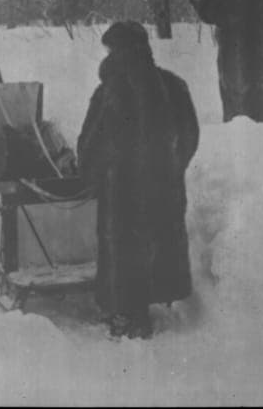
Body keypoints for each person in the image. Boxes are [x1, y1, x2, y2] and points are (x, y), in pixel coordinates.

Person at [77, 21, 199, 339]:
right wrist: (172, 167)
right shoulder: (174, 85)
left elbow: (91, 142)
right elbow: (190, 135)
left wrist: (93, 175)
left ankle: (127, 315)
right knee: (159, 240)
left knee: (123, 248)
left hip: (122, 191)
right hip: (164, 189)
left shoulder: (109, 92)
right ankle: (150, 299)